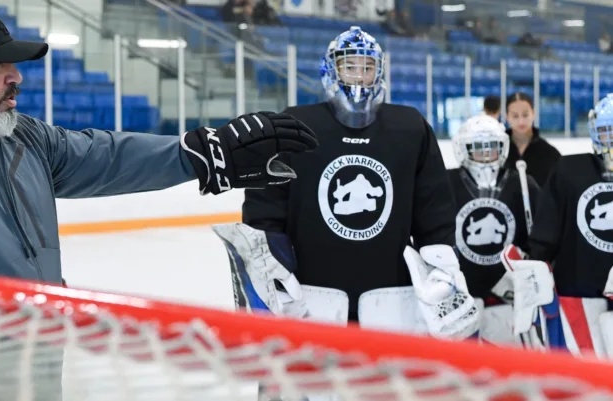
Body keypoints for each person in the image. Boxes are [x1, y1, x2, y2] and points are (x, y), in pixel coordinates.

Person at [0, 2, 317, 284]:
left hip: (37, 371)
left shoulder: (21, 137)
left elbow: (103, 156)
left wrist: (203, 154)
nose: (17, 77)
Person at [212, 27, 480, 340]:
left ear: (379, 72)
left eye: (367, 67)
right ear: (331, 69)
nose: (358, 76)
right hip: (309, 295)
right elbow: (267, 207)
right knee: (307, 387)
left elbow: (433, 209)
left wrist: (443, 267)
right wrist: (272, 267)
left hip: (391, 296)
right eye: (349, 66)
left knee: (381, 386)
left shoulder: (410, 129)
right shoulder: (293, 127)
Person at [500, 93, 613, 356]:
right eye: (608, 131)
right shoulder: (570, 170)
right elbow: (547, 231)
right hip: (578, 293)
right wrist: (537, 262)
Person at [447, 114, 541, 346]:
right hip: (460, 296)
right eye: (478, 148)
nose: (487, 155)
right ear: (463, 148)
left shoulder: (522, 183)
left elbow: (540, 235)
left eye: (492, 148)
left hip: (508, 297)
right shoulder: (446, 182)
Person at [504, 92, 560, 187]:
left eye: (525, 115)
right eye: (515, 116)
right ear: (507, 117)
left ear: (533, 113)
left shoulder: (550, 153)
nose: (521, 121)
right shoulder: (497, 151)